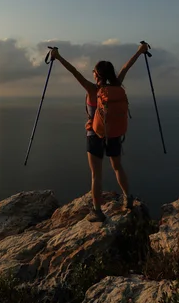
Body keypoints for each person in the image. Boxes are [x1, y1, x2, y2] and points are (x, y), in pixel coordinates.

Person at [50, 43, 150, 222]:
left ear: (97, 74)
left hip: (94, 135)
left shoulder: (92, 89)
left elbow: (74, 72)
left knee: (96, 175)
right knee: (118, 166)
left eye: (94, 72)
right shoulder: (117, 86)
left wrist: (57, 56)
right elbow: (127, 66)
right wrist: (140, 51)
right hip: (114, 134)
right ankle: (128, 197)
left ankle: (97, 211)